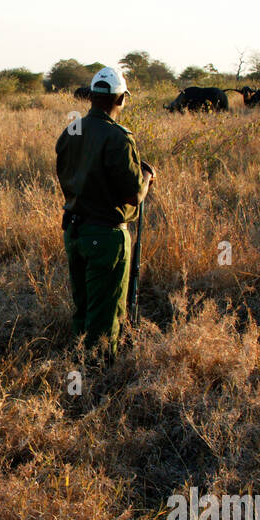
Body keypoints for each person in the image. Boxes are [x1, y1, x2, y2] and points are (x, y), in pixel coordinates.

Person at [55, 66, 155, 360]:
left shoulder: (71, 131)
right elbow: (134, 195)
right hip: (105, 236)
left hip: (74, 231)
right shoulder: (118, 138)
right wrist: (146, 175)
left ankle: (79, 364)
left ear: (91, 97)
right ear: (120, 98)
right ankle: (96, 377)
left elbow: (66, 173)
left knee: (84, 308)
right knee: (105, 314)